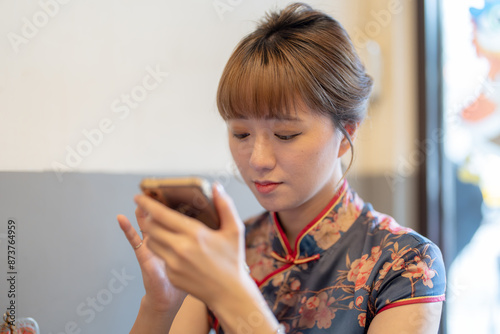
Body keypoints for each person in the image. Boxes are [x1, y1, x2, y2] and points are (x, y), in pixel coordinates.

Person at [117, 3, 446, 333]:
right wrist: (160, 303)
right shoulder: (227, 249)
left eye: (286, 135)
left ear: (347, 134)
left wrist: (234, 294)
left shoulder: (406, 263)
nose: (258, 159)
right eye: (241, 133)